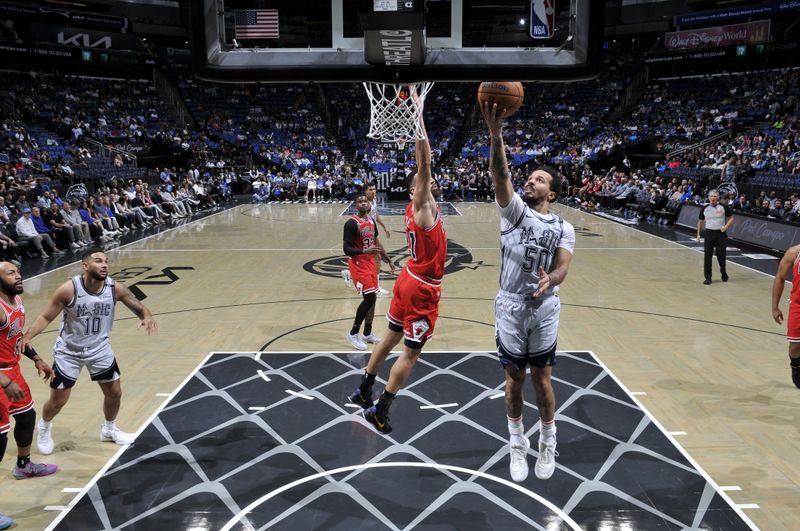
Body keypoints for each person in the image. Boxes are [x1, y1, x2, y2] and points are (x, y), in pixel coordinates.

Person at [481, 101, 576, 482]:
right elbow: (500, 173)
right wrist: (496, 135)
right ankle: (517, 443)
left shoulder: (564, 227)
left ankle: (548, 440)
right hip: (510, 305)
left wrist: (551, 279)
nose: (530, 181)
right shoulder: (515, 211)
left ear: (551, 192)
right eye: (530, 177)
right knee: (513, 381)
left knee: (543, 381)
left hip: (544, 306)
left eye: (538, 179)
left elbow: (564, 266)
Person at [348, 91, 447, 434]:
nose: (432, 184)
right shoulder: (423, 207)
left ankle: (363, 390)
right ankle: (381, 409)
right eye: (426, 184)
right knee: (410, 353)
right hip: (423, 288)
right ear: (415, 191)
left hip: (408, 279)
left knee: (388, 339)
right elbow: (424, 164)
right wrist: (418, 116)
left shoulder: (412, 210)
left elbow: (424, 172)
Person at [18, 250, 158, 454]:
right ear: (85, 266)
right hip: (69, 352)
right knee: (59, 400)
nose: (104, 265)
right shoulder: (68, 289)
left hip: (100, 348)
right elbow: (45, 317)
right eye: (98, 261)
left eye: (106, 262)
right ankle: (45, 426)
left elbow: (138, 306)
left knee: (114, 392)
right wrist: (28, 335)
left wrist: (147, 316)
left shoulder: (114, 288)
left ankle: (109, 430)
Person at [0, 262, 58, 498]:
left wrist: (36, 358)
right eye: (11, 273)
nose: (19, 276)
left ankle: (24, 466)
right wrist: (4, 382)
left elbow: (15, 339)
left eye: (18, 272)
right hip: (2, 376)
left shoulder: (17, 301)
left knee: (26, 416)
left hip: (12, 370)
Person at [344, 193, 395, 350]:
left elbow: (376, 242)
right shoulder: (351, 223)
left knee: (372, 300)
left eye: (366, 201)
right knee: (370, 298)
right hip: (358, 263)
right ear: (355, 205)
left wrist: (388, 259)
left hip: (371, 263)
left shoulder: (371, 221)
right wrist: (365, 250)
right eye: (360, 202)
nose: (364, 204)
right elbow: (346, 249)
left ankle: (367, 333)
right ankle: (353, 333)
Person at [770, 244, 800, 389]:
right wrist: (775, 307)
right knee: (795, 346)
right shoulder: (794, 253)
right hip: (798, 305)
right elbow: (780, 278)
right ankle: (796, 367)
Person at [696, 189, 733, 285]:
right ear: (708, 197)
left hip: (720, 234)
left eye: (715, 196)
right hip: (709, 233)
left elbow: (731, 218)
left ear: (718, 198)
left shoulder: (724, 207)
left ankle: (723, 272)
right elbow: (700, 221)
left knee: (721, 255)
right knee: (707, 256)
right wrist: (698, 234)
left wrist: (726, 227)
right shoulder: (704, 208)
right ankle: (708, 277)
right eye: (711, 196)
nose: (713, 198)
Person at [365, 182, 391, 296]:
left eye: (374, 189)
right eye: (370, 189)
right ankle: (376, 288)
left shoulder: (374, 201)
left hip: (373, 232)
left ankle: (349, 274)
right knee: (378, 258)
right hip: (367, 235)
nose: (373, 191)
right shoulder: (365, 205)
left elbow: (376, 216)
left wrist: (384, 227)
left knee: (368, 261)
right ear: (365, 191)